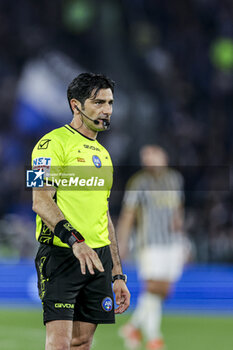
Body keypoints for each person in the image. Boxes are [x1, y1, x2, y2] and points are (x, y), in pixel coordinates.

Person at [31, 72, 130, 350]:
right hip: (62, 253)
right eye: (98, 103)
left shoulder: (105, 155)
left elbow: (104, 215)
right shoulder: (49, 145)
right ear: (76, 105)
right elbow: (40, 201)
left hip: (98, 259)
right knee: (60, 344)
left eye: (110, 103)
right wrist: (76, 241)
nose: (107, 110)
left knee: (83, 342)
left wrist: (118, 274)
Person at [117, 145, 187, 350]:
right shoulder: (139, 183)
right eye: (146, 157)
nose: (149, 160)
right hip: (149, 242)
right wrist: (122, 242)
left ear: (163, 156)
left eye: (153, 155)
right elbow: (128, 214)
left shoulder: (175, 179)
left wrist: (179, 224)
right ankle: (154, 338)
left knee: (165, 290)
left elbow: (178, 206)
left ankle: (133, 326)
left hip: (173, 242)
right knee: (154, 286)